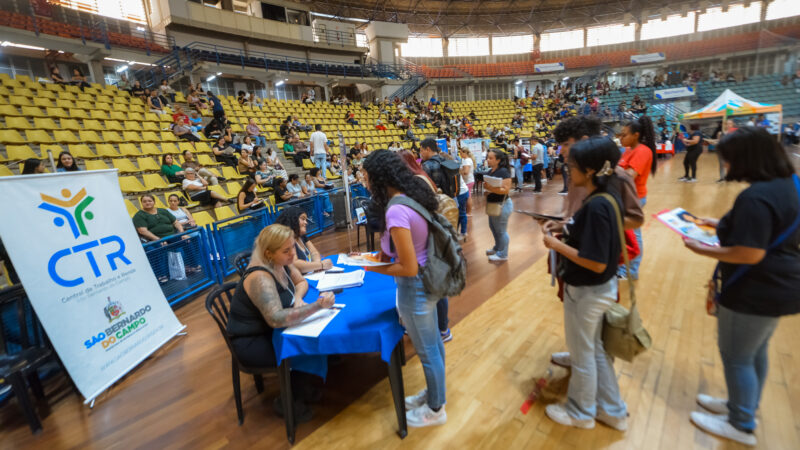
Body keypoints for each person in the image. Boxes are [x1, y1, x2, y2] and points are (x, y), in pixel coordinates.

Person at [683, 127, 799, 447]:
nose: (727, 167)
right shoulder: (789, 185)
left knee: (736, 356)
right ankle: (744, 406)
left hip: (755, 289)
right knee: (754, 353)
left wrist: (701, 248)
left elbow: (750, 252)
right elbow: (768, 229)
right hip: (781, 285)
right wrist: (718, 224)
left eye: (729, 160)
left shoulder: (756, 197)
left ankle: (740, 424)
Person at [541, 136, 628, 431]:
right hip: (599, 289)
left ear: (590, 170)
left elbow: (596, 261)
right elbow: (591, 235)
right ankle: (613, 410)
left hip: (590, 289)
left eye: (572, 165)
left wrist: (555, 244)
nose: (568, 169)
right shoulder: (605, 196)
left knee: (583, 355)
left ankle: (581, 412)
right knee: (595, 351)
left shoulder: (598, 206)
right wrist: (565, 227)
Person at [545, 115, 645, 370]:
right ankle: (578, 352)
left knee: (596, 318)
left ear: (585, 142)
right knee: (573, 310)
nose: (562, 150)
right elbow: (576, 215)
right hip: (573, 254)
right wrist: (563, 224)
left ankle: (596, 363)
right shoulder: (577, 175)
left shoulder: (617, 177)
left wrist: (594, 226)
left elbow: (635, 218)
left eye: (566, 144)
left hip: (595, 256)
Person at [359, 149, 447, 427]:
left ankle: (435, 409)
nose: (364, 180)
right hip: (429, 280)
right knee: (433, 344)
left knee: (428, 350)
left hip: (415, 287)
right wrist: (385, 256)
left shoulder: (396, 209)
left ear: (378, 176)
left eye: (366, 175)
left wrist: (370, 268)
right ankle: (436, 394)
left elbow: (408, 266)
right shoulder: (409, 198)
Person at [226, 224, 335, 422]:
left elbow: (301, 282)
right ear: (269, 253)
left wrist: (298, 300)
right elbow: (275, 319)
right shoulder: (259, 276)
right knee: (305, 344)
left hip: (268, 330)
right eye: (287, 250)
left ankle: (301, 388)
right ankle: (287, 401)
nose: (293, 254)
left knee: (311, 336)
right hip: (252, 341)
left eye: (293, 247)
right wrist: (317, 306)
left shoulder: (280, 260)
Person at [616, 115, 656, 280]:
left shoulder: (642, 151)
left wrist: (611, 169)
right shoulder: (628, 150)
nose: (621, 137)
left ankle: (630, 271)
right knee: (627, 234)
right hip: (625, 197)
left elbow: (628, 176)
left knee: (632, 235)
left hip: (634, 198)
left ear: (636, 135)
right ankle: (624, 269)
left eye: (624, 134)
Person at [275, 206, 333, 274]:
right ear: (293, 220)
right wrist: (320, 265)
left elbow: (314, 252)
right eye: (303, 219)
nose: (306, 222)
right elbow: (295, 264)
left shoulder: (301, 235)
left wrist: (317, 265)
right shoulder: (285, 239)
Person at [483, 149, 513, 262]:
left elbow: (505, 190)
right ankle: (498, 248)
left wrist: (489, 188)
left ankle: (503, 254)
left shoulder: (504, 172)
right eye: (488, 157)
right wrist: (488, 191)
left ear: (498, 160)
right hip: (493, 205)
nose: (488, 160)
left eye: (491, 158)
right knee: (494, 228)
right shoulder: (491, 171)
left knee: (501, 231)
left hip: (503, 205)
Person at [459, 148, 475, 215]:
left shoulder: (467, 161)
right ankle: (469, 211)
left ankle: (469, 212)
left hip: (468, 181)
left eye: (461, 153)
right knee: (469, 196)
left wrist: (459, 171)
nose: (460, 154)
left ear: (465, 153)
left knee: (468, 197)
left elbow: (466, 172)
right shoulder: (467, 160)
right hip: (469, 180)